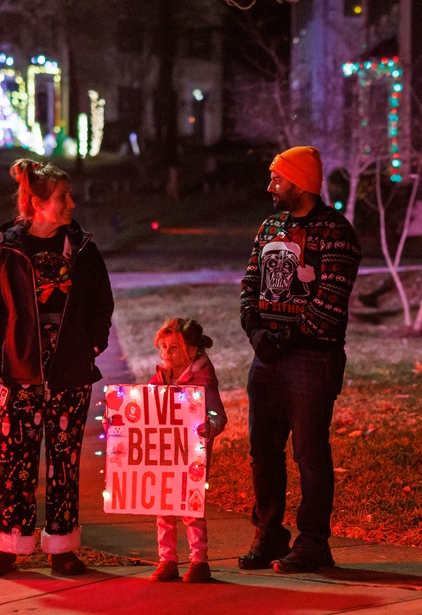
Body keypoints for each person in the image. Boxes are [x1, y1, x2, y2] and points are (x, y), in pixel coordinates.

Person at [0, 158, 114, 580]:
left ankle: (62, 547)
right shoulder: (5, 251)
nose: (71, 203)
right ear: (36, 203)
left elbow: (102, 303)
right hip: (18, 374)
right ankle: (6, 547)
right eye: (62, 197)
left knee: (64, 462)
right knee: (13, 461)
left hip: (69, 374)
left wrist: (91, 345)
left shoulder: (82, 249)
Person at [237, 145, 361, 573]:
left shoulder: (336, 233)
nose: (270, 186)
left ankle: (313, 542)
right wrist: (256, 332)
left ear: (301, 182)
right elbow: (249, 284)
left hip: (312, 359)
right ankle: (269, 533)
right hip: (266, 358)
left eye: (278, 178)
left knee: (309, 452)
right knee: (262, 450)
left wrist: (285, 338)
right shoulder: (270, 226)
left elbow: (330, 301)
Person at [147, 318, 228, 583]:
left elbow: (217, 413)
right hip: (164, 454)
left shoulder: (203, 379)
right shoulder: (159, 379)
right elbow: (144, 407)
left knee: (192, 509)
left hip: (192, 455)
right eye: (165, 347)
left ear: (190, 352)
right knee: (163, 508)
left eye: (174, 348)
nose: (167, 354)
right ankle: (167, 560)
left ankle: (198, 561)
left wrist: (210, 424)